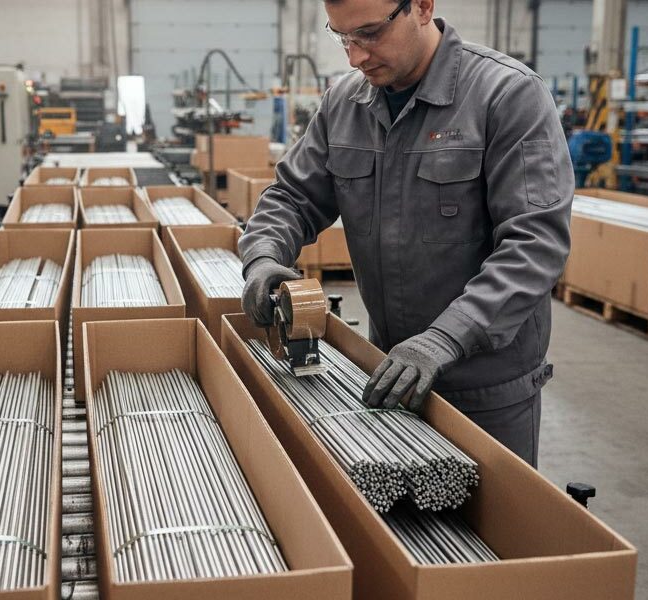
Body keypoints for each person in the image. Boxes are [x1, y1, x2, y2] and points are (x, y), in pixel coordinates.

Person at [238, 0, 574, 467]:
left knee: (490, 535)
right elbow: (292, 196)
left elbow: (535, 244)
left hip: (486, 387)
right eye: (343, 38)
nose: (355, 57)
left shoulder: (507, 95)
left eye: (370, 34)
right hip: (390, 370)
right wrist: (262, 257)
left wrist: (446, 339)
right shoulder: (345, 103)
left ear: (421, 6)